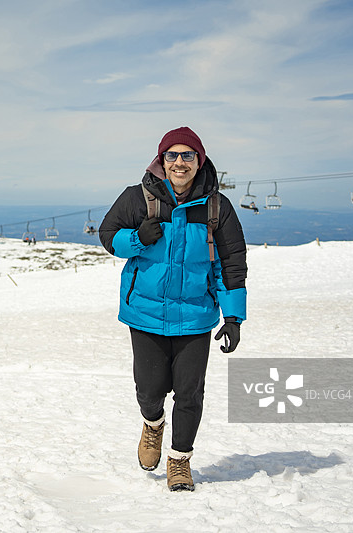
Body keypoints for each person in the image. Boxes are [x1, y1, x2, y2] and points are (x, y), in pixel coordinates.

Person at [99, 126, 247, 492]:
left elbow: (231, 262)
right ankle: (152, 425)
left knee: (189, 393)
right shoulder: (138, 198)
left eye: (188, 155)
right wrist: (137, 238)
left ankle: (180, 460)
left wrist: (233, 317)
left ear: (200, 161)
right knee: (150, 391)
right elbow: (108, 235)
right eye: (172, 155)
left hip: (195, 316)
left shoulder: (216, 207)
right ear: (162, 161)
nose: (180, 162)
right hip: (145, 313)